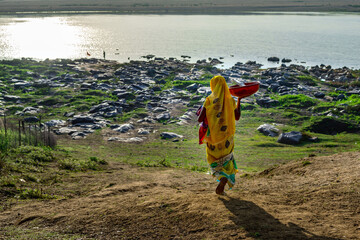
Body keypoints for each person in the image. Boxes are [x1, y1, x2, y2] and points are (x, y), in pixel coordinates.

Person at [197, 75, 241, 195]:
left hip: (213, 138)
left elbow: (200, 119)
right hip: (227, 137)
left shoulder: (209, 100)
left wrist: (206, 112)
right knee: (228, 158)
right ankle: (225, 176)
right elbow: (237, 117)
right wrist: (239, 100)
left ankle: (222, 177)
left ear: (213, 86)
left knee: (213, 158)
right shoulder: (230, 100)